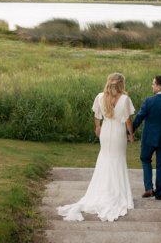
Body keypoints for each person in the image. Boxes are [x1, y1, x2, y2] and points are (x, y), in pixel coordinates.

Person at [57, 73, 136, 222]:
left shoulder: (100, 97)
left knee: (105, 158)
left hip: (106, 130)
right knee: (117, 159)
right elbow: (128, 120)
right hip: (119, 132)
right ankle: (117, 194)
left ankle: (102, 190)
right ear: (121, 84)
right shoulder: (125, 99)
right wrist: (131, 134)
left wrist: (98, 127)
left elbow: (97, 115)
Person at [132, 75, 161, 200]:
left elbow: (139, 117)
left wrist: (130, 130)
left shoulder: (148, 101)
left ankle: (148, 188)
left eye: (153, 83)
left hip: (148, 138)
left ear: (159, 86)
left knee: (145, 159)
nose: (152, 86)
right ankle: (159, 194)